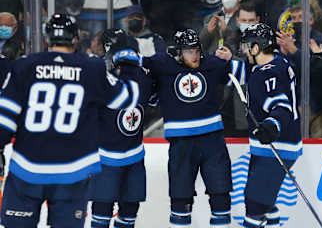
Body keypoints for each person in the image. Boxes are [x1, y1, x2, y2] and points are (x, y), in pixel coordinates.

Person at [0, 13, 143, 227]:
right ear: (75, 39)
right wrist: (129, 65)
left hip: (26, 169)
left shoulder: (23, 66)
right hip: (72, 172)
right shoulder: (91, 68)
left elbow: (4, 123)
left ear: (47, 38)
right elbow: (126, 98)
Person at [142, 29, 245, 227]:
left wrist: (234, 58)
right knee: (181, 199)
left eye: (197, 50)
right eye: (189, 51)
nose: (195, 55)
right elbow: (137, 67)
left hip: (213, 142)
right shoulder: (162, 65)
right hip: (181, 145)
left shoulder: (212, 65)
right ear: (178, 52)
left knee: (221, 195)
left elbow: (245, 73)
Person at [240, 23, 301, 228]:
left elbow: (282, 107)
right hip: (272, 147)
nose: (245, 50)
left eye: (248, 45)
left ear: (257, 48)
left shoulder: (267, 73)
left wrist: (272, 125)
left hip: (277, 148)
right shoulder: (277, 62)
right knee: (265, 202)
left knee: (255, 206)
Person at [90, 29, 153, 228]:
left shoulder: (141, 74)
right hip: (105, 157)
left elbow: (151, 97)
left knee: (129, 213)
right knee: (101, 213)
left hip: (134, 156)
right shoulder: (98, 73)